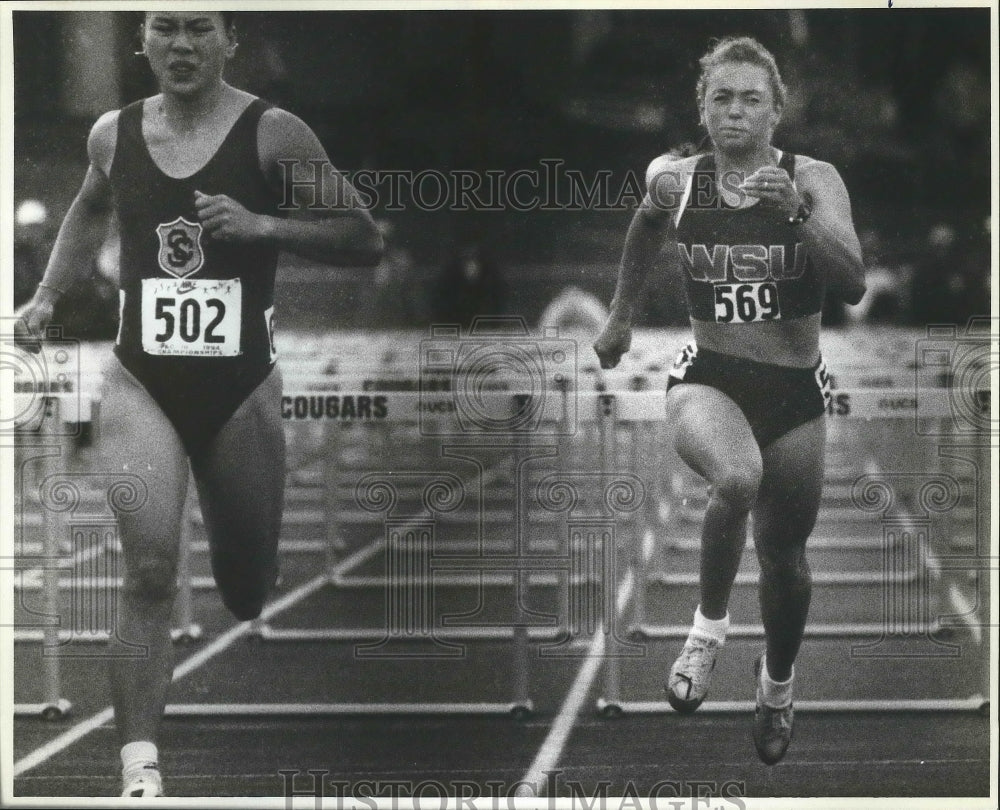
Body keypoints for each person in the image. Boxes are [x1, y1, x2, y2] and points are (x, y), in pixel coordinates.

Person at [13, 11, 382, 796]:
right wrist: (45, 296)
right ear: (139, 43)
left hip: (240, 381)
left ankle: (249, 574)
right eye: (165, 29)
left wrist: (261, 224)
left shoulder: (274, 133)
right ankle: (139, 769)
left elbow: (361, 234)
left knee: (246, 589)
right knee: (148, 569)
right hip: (141, 378)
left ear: (230, 43)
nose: (181, 46)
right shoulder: (112, 135)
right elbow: (88, 208)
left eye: (200, 30)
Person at [593, 36, 865, 764]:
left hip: (794, 390)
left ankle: (776, 687)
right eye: (722, 98)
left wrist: (800, 213)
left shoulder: (816, 178)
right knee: (737, 478)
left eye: (751, 99)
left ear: (777, 111)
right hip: (708, 375)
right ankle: (706, 632)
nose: (736, 111)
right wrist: (619, 316)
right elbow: (644, 227)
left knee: (786, 563)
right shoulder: (677, 181)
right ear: (703, 110)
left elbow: (854, 284)